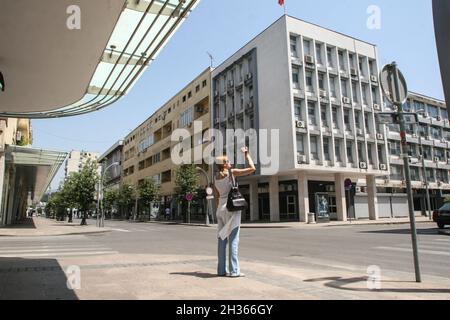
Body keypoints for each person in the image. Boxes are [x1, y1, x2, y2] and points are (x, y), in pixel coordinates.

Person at [213, 146, 256, 278]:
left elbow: (216, 197)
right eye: (228, 161)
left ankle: (221, 270)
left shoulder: (215, 178)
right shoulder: (232, 173)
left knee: (221, 239)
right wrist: (246, 154)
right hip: (231, 208)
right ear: (225, 164)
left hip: (220, 209)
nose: (230, 162)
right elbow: (252, 168)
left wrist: (219, 210)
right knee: (233, 240)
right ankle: (234, 271)